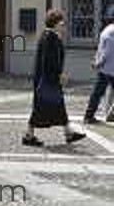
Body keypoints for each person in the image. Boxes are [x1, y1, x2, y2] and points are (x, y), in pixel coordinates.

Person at [23, 8, 86, 146]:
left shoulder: (48, 36)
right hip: (48, 80)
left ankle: (67, 132)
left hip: (46, 79)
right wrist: (59, 75)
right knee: (42, 108)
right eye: (61, 23)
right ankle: (29, 135)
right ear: (55, 23)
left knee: (54, 107)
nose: (63, 25)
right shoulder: (50, 37)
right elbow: (50, 60)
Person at [84, 5, 114, 124]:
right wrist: (98, 63)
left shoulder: (106, 30)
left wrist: (97, 62)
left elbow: (101, 49)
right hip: (109, 69)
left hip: (105, 69)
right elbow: (107, 52)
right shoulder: (113, 32)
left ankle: (89, 115)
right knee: (98, 93)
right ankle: (92, 115)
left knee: (97, 93)